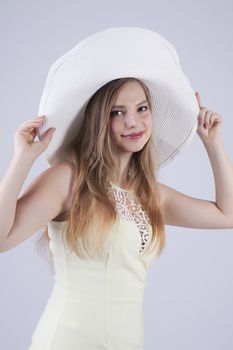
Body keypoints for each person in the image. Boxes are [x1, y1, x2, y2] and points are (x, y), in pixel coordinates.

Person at [1, 28, 233, 350]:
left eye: (142, 108)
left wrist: (213, 145)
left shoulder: (151, 195)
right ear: (99, 120)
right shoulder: (68, 179)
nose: (133, 122)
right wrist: (21, 161)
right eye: (117, 112)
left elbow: (227, 215)